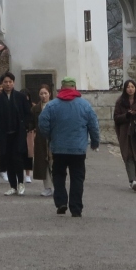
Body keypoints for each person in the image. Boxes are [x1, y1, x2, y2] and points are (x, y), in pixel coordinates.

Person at [37, 76, 100, 217]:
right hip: (78, 149)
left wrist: (50, 136)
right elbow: (94, 126)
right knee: (77, 178)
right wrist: (95, 142)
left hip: (58, 148)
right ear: (75, 87)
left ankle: (61, 202)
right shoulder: (85, 105)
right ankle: (76, 208)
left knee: (58, 175)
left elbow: (42, 122)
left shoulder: (52, 105)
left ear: (61, 88)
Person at [0, 72, 31, 195]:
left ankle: (21, 183)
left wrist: (25, 126)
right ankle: (12, 186)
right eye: (5, 82)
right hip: (4, 135)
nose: (8, 84)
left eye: (10, 82)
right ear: (2, 83)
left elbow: (27, 113)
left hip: (18, 133)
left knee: (18, 159)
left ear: (14, 83)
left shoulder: (20, 97)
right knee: (8, 159)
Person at [114, 78, 136, 191]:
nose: (130, 89)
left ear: (135, 88)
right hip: (125, 133)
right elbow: (116, 118)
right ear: (125, 89)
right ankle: (133, 180)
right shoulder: (120, 102)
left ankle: (134, 180)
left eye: (132, 87)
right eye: (128, 87)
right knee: (128, 155)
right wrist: (127, 115)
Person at [31, 84, 54, 197]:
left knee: (53, 163)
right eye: (41, 93)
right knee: (43, 163)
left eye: (45, 93)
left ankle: (57, 186)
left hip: (53, 138)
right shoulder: (35, 109)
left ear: (50, 94)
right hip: (41, 139)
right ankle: (48, 187)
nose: (43, 96)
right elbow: (31, 124)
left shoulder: (55, 106)